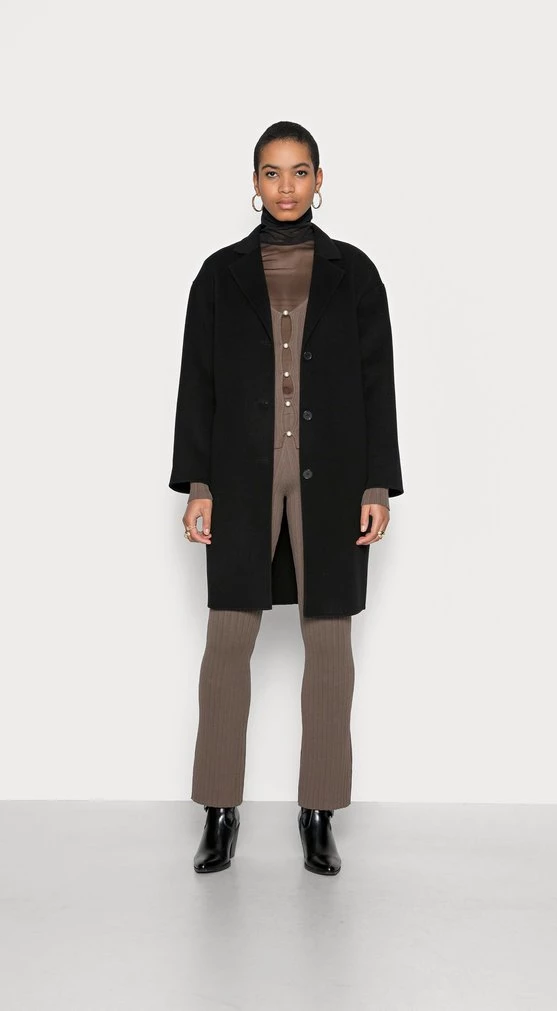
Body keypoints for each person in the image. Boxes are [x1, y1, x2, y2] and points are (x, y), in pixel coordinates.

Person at [169, 121, 403, 875]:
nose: (287, 186)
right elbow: (198, 382)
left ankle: (318, 812)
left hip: (332, 479)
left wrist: (376, 482)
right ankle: (219, 809)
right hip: (240, 477)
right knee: (228, 641)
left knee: (329, 646)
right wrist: (198, 483)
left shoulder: (355, 274)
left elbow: (376, 383)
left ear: (319, 179)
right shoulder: (218, 275)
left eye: (300, 171)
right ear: (254, 182)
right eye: (272, 172)